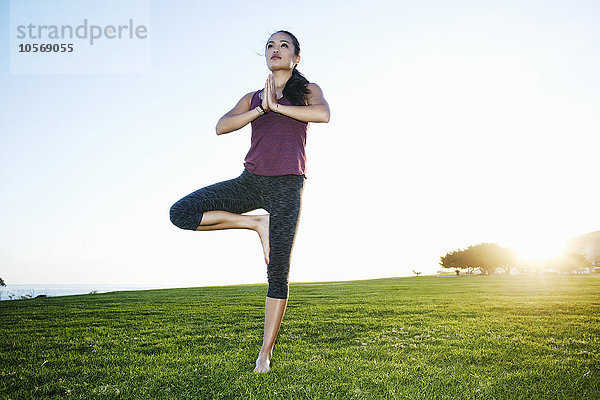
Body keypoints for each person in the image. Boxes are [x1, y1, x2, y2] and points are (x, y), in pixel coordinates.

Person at [169, 30, 330, 373]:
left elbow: (323, 115)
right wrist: (260, 109)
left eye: (283, 45)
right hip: (250, 182)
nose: (275, 50)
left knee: (278, 272)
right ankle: (256, 222)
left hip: (287, 186)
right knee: (181, 212)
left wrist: (280, 108)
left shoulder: (307, 91)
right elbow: (221, 126)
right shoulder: (252, 97)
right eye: (270, 45)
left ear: (295, 58)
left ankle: (265, 353)